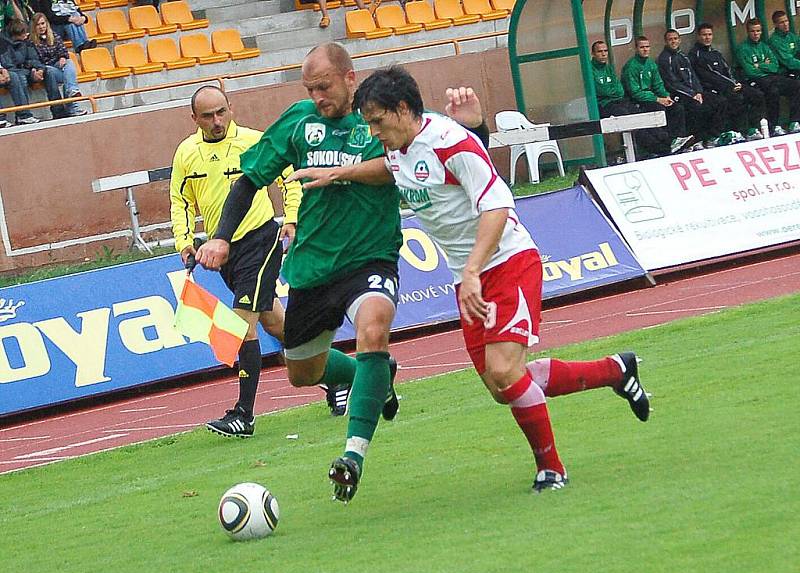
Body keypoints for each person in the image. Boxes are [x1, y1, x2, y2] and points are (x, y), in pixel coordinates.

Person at [289, 66, 652, 494]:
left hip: (506, 262)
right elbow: (389, 169)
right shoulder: (399, 147)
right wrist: (341, 174)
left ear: (403, 109)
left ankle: (551, 469)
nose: (373, 131)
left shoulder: (451, 142)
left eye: (377, 121)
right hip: (471, 277)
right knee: (504, 386)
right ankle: (615, 369)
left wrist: (475, 270)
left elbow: (497, 205)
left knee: (504, 371)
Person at [194, 43, 402, 502]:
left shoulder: (379, 115)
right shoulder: (299, 121)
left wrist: (344, 173)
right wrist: (222, 237)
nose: (318, 96)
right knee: (302, 373)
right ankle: (375, 378)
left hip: (370, 255)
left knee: (373, 328)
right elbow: (249, 178)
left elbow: (403, 164)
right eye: (310, 88)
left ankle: (353, 454)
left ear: (350, 78)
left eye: (324, 86)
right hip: (312, 263)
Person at [171, 86, 351, 436]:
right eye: (207, 116)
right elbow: (180, 201)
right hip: (223, 253)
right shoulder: (186, 153)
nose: (216, 121)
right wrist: (184, 241)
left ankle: (244, 414)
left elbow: (289, 179)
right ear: (194, 119)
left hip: (260, 240)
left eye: (221, 112)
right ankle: (339, 378)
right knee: (279, 327)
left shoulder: (254, 141)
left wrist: (292, 217)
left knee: (242, 327)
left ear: (231, 108)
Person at [590, 39, 671, 157]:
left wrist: (610, 91)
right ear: (593, 54)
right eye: (599, 51)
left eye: (605, 51)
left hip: (618, 101)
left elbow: (619, 90)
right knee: (628, 118)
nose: (603, 54)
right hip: (603, 105)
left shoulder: (608, 67)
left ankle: (667, 142)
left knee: (639, 114)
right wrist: (610, 91)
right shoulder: (591, 70)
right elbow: (602, 91)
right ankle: (658, 149)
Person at [688, 22, 766, 142]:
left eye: (710, 34)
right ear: (698, 36)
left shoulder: (715, 53)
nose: (707, 37)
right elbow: (711, 75)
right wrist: (731, 85)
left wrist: (735, 82)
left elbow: (727, 69)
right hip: (712, 89)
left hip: (729, 85)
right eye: (704, 35)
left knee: (757, 95)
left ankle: (753, 128)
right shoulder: (695, 54)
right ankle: (736, 131)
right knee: (736, 98)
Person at [657, 29, 734, 149]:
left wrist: (698, 92)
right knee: (697, 107)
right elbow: (672, 83)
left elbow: (693, 76)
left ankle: (714, 136)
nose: (673, 41)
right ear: (665, 42)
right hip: (679, 94)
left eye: (675, 39)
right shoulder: (664, 59)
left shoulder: (683, 56)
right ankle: (697, 139)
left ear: (679, 40)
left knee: (720, 101)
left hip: (695, 92)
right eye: (670, 39)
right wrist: (692, 94)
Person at [622, 35, 693, 154]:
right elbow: (635, 93)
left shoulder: (651, 64)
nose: (645, 49)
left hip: (654, 97)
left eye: (647, 47)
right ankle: (667, 143)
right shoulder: (631, 67)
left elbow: (658, 84)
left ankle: (679, 140)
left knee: (676, 107)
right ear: (636, 49)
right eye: (642, 47)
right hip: (639, 101)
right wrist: (657, 99)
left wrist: (666, 96)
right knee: (658, 109)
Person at [735, 18, 800, 136]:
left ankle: (794, 122)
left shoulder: (764, 46)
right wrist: (766, 65)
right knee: (773, 91)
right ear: (748, 32)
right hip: (755, 80)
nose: (756, 34)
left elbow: (775, 66)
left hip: (771, 77)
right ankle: (774, 126)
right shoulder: (742, 48)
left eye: (758, 31)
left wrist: (759, 65)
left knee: (796, 85)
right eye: (753, 31)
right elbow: (750, 71)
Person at [1, 18, 66, 121]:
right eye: (24, 33)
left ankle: (59, 111)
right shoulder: (3, 44)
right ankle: (23, 115)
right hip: (15, 73)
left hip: (28, 70)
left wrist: (38, 69)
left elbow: (33, 58)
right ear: (16, 35)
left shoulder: (27, 41)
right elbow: (8, 66)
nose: (26, 35)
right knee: (19, 77)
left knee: (48, 72)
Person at [30, 12, 85, 116]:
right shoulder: (31, 42)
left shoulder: (54, 35)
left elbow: (63, 50)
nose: (41, 27)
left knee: (68, 63)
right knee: (51, 71)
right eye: (38, 25)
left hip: (57, 66)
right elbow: (36, 60)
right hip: (45, 70)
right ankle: (71, 107)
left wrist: (62, 57)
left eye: (43, 23)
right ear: (34, 27)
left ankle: (72, 93)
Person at [29, 0, 95, 53]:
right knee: (69, 23)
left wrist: (83, 18)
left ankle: (84, 42)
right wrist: (68, 19)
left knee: (75, 14)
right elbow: (50, 18)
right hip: (55, 29)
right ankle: (80, 45)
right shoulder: (46, 1)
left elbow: (78, 10)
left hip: (69, 30)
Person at [768, 10, 800, 77]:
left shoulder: (791, 36)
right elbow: (789, 62)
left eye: (786, 21)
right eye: (781, 22)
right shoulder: (774, 41)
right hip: (785, 72)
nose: (785, 24)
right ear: (775, 25)